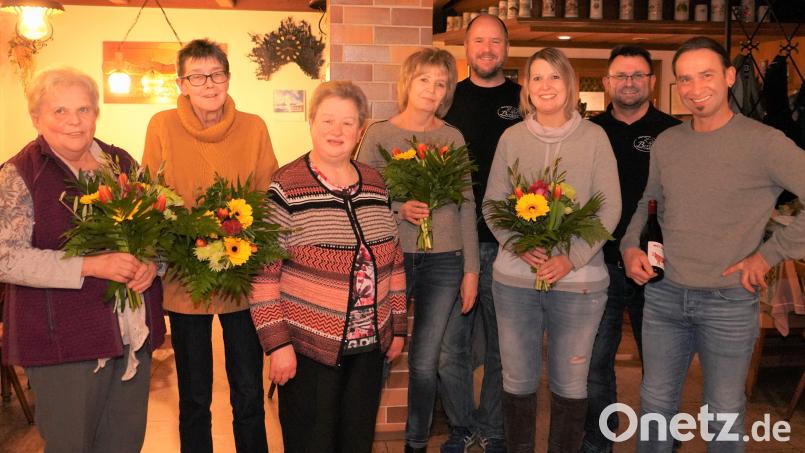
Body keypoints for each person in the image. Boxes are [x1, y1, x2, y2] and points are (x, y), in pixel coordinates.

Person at [621, 36, 805, 452]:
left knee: (722, 411)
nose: (694, 87)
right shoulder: (668, 142)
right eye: (684, 79)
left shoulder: (764, 142)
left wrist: (768, 254)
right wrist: (630, 246)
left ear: (727, 77)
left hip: (728, 300)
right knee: (653, 406)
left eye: (705, 75)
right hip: (665, 296)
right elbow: (647, 205)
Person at [0, 67, 165, 453]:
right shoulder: (20, 174)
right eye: (59, 111)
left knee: (123, 444)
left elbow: (160, 231)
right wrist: (90, 265)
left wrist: (151, 263)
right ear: (36, 117)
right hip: (63, 343)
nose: (74, 121)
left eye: (84, 109)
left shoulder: (120, 163)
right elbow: (6, 258)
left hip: (130, 337)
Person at [249, 80, 407, 452]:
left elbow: (394, 262)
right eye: (327, 120)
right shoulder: (286, 186)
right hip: (308, 347)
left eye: (347, 123)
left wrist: (397, 326)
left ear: (360, 129)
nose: (337, 131)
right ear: (311, 122)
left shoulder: (374, 182)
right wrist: (277, 345)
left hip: (369, 346)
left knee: (356, 440)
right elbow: (263, 276)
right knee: (311, 442)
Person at [142, 38, 277, 453]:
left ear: (228, 78)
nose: (208, 84)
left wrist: (243, 238)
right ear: (181, 83)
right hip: (187, 278)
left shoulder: (253, 126)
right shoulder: (162, 125)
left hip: (241, 276)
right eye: (197, 76)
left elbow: (266, 196)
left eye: (216, 74)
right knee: (195, 395)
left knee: (248, 392)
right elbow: (153, 195)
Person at [483, 47, 621, 453]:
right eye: (537, 77)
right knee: (517, 379)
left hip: (579, 283)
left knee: (571, 381)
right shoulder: (511, 138)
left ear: (569, 83)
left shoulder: (595, 137)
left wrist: (571, 257)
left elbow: (610, 205)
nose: (546, 86)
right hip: (514, 281)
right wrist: (518, 245)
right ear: (526, 87)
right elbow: (493, 203)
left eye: (555, 77)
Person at [356, 47, 480, 453]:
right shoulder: (379, 134)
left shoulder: (452, 137)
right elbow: (360, 198)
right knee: (375, 355)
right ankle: (355, 438)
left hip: (445, 262)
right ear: (408, 82)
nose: (431, 89)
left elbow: (466, 205)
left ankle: (416, 444)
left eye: (441, 83)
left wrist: (471, 271)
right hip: (391, 261)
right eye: (424, 79)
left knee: (426, 363)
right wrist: (398, 209)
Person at [581, 45, 681, 453]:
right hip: (597, 263)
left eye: (638, 75)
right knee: (594, 365)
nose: (629, 82)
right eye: (620, 75)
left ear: (652, 82)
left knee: (660, 367)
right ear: (606, 82)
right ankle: (599, 440)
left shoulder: (674, 132)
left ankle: (662, 442)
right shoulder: (588, 131)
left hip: (658, 269)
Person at [443, 14, 521, 453]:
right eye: (479, 41)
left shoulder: (524, 99)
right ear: (466, 48)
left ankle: (492, 430)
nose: (488, 48)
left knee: (500, 350)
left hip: (509, 245)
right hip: (454, 244)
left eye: (496, 41)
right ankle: (461, 425)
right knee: (448, 350)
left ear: (506, 48)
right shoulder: (448, 98)